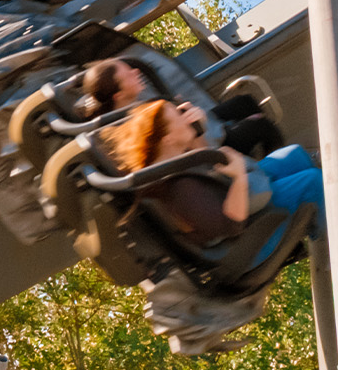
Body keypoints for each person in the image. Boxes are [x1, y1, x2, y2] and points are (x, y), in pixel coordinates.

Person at [99, 99, 323, 263]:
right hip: (246, 241)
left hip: (231, 194)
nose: (184, 113)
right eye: (177, 116)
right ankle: (337, 247)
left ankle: (322, 220)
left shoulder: (173, 160)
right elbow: (230, 225)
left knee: (294, 155)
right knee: (314, 182)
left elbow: (207, 167)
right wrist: (239, 179)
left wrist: (198, 137)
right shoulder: (176, 190)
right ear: (167, 138)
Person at [82, 58, 283, 159]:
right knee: (261, 127)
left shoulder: (133, 104)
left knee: (244, 103)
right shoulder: (137, 122)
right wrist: (195, 125)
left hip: (199, 126)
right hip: (207, 144)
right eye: (128, 76)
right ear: (118, 94)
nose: (136, 72)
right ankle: (269, 171)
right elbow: (193, 151)